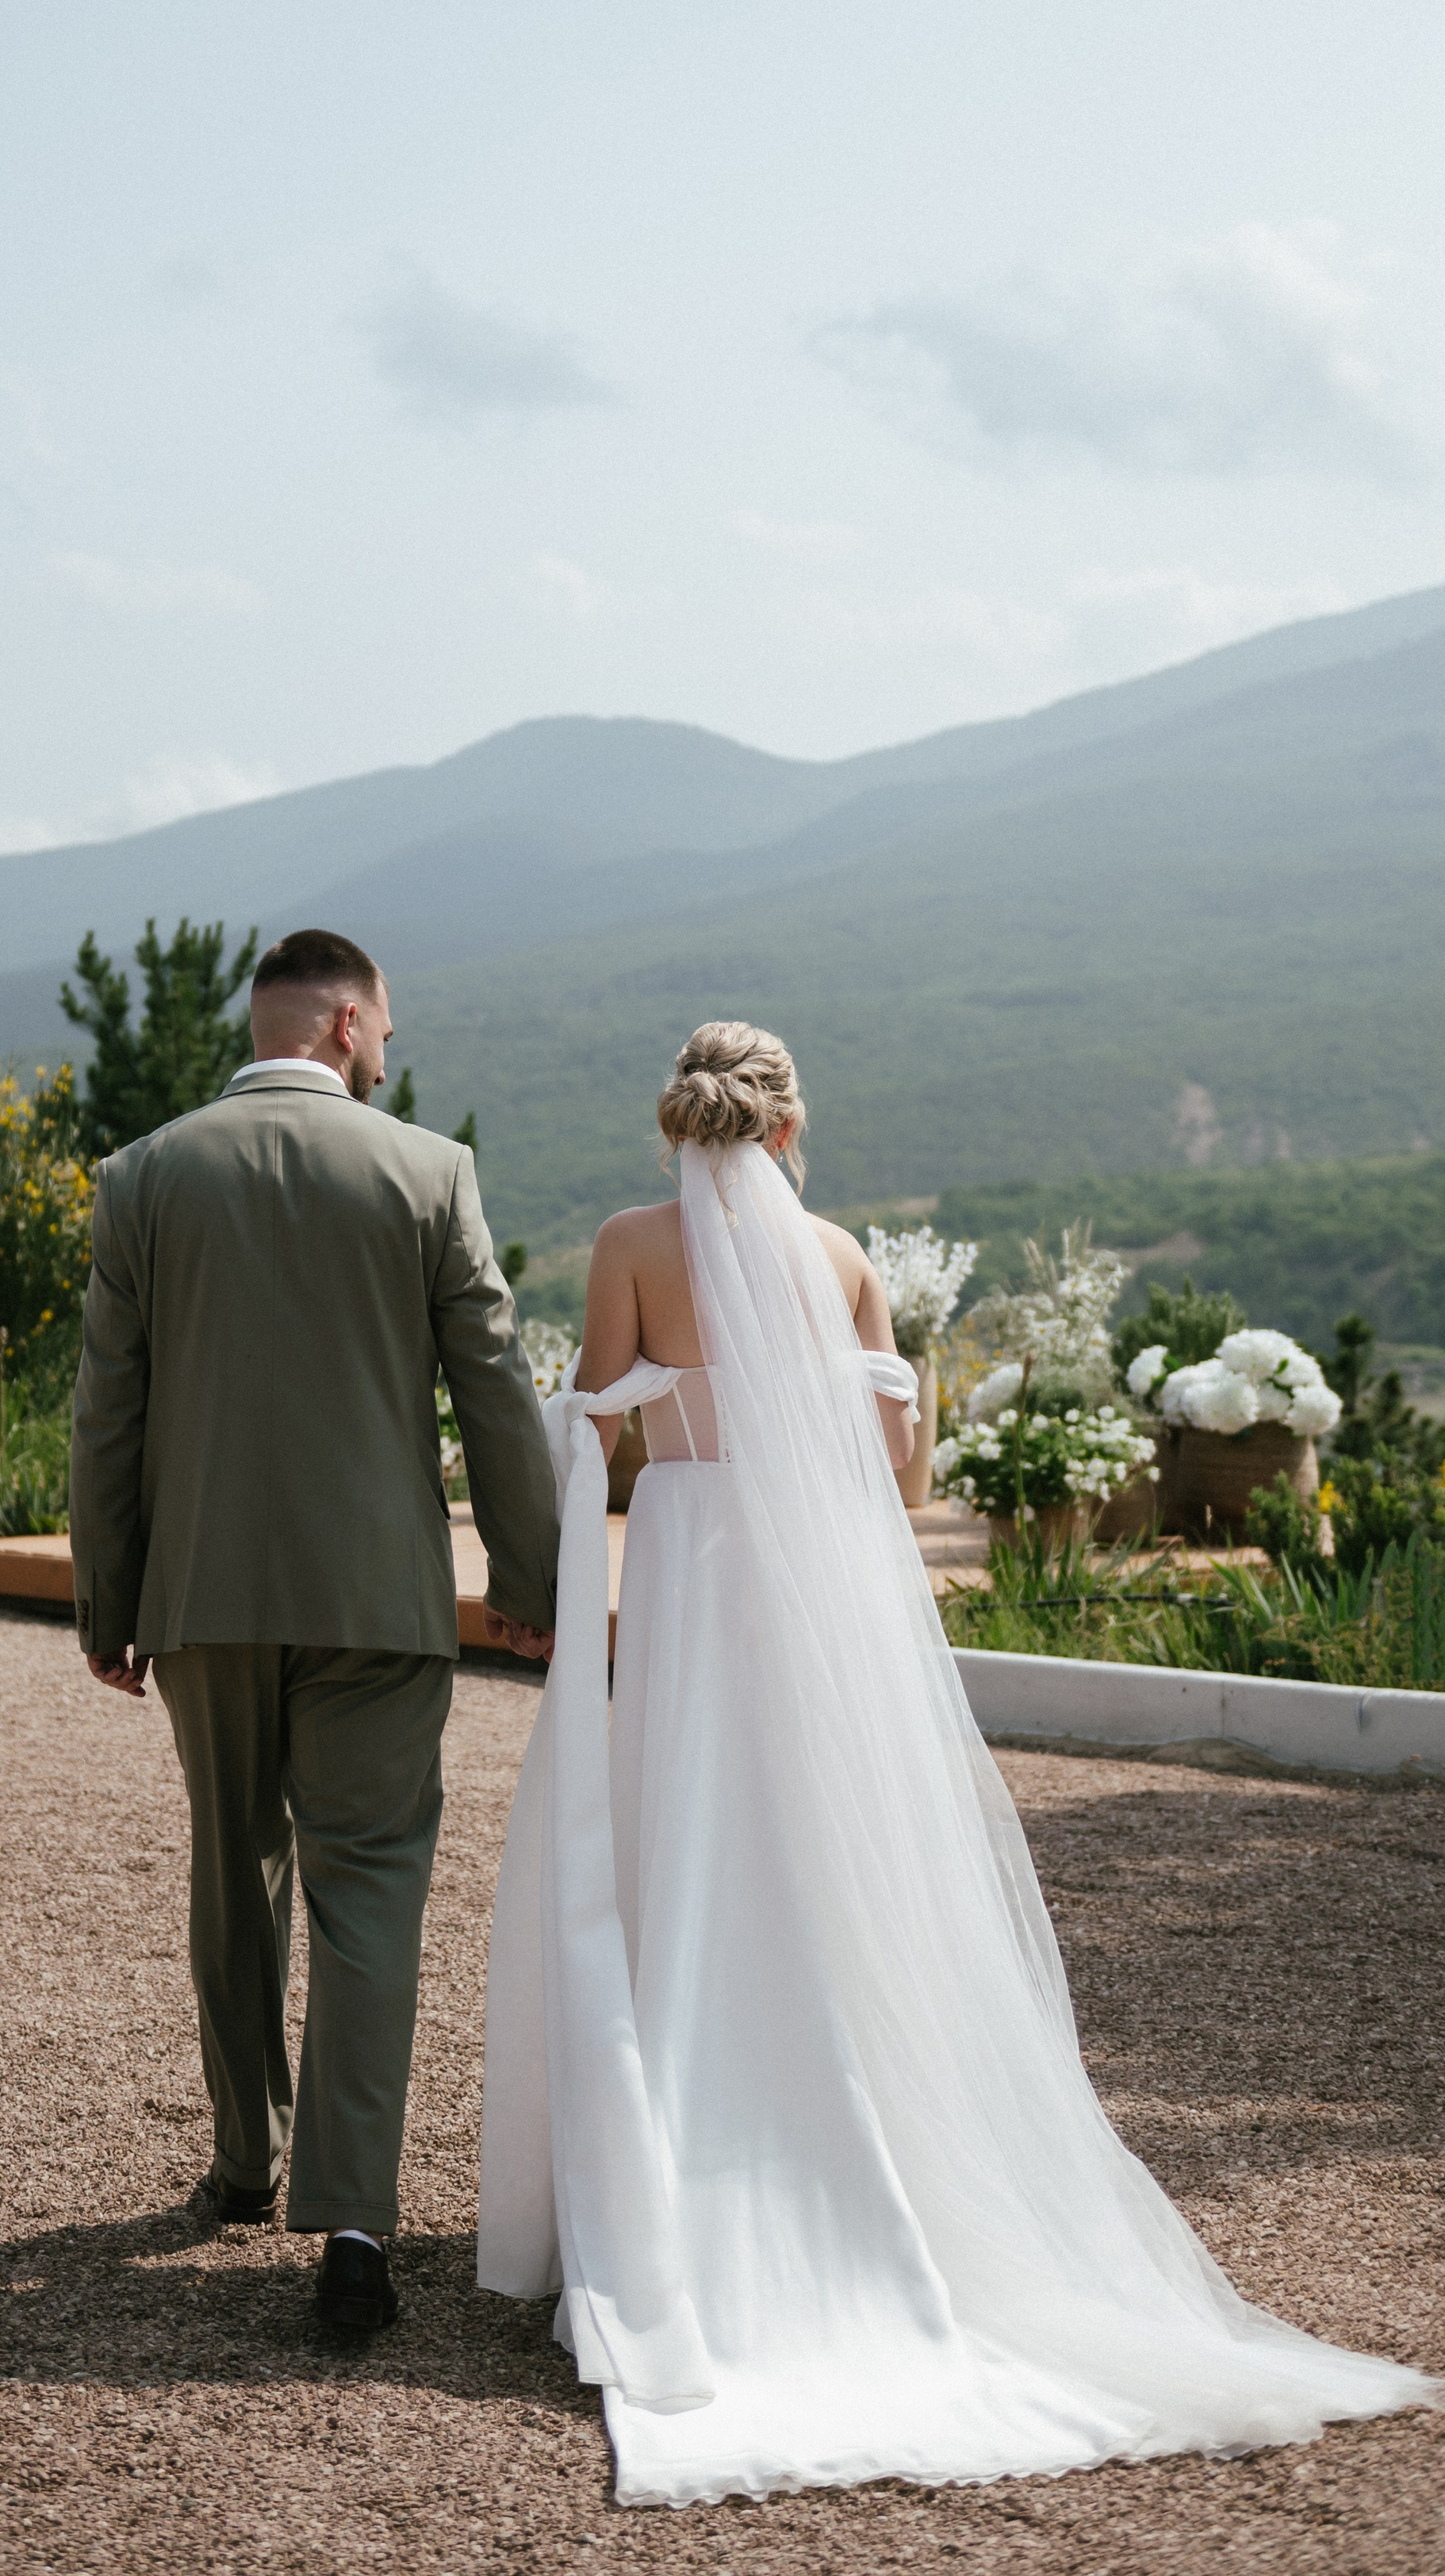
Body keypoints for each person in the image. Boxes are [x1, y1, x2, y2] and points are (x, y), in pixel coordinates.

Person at [477, 1020, 1436, 2503]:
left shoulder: (627, 1243)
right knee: (830, 1838)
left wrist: (611, 1430)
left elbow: (601, 1426)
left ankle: (677, 2151)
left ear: (680, 1122)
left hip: (690, 1566)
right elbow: (901, 1469)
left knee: (692, 1828)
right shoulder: (845, 1257)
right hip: (821, 1585)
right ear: (788, 1128)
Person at [71, 925, 558, 2332]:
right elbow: (493, 1387)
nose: (391, 1050)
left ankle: (244, 2160)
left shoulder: (144, 1176)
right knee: (372, 1891)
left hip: (205, 1599)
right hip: (377, 1603)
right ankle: (353, 2225)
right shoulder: (429, 1173)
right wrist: (525, 1578)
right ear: (347, 1023)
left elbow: (109, 1410)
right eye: (387, 1028)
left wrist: (111, 1597)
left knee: (236, 1868)